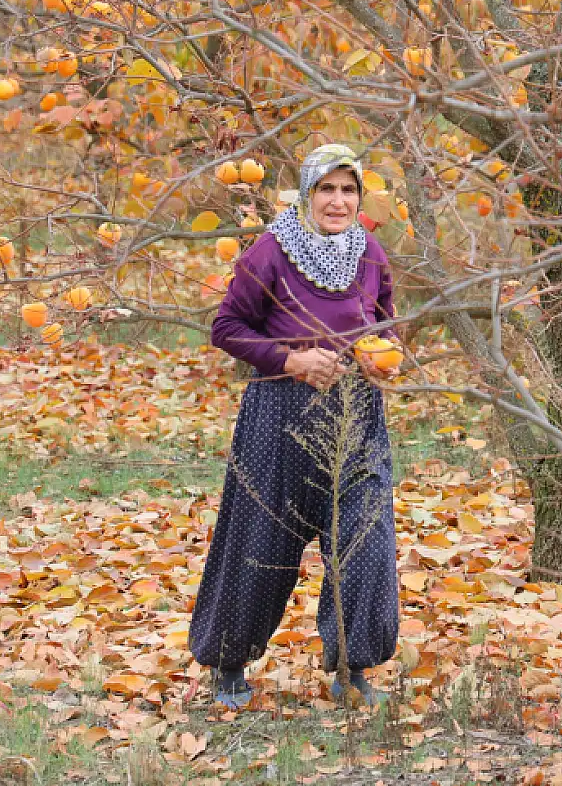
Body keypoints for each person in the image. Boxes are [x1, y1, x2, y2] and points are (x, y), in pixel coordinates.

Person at [191, 144, 401, 709]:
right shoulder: (270, 252)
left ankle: (353, 668)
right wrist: (291, 360)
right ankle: (230, 663)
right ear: (307, 195)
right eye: (326, 189)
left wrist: (383, 357)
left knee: (365, 542)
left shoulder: (372, 253)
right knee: (260, 544)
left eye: (348, 189)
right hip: (278, 419)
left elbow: (388, 324)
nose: (338, 200)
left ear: (360, 197)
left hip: (356, 420)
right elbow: (228, 328)